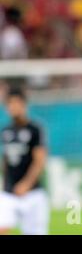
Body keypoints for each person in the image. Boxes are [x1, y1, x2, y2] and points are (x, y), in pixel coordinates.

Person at [0, 87, 49, 235]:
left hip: (33, 193)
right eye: (10, 104)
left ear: (24, 105)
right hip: (9, 193)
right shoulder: (5, 131)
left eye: (16, 103)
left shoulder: (35, 129)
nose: (13, 107)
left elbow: (39, 161)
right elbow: (6, 161)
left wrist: (26, 184)